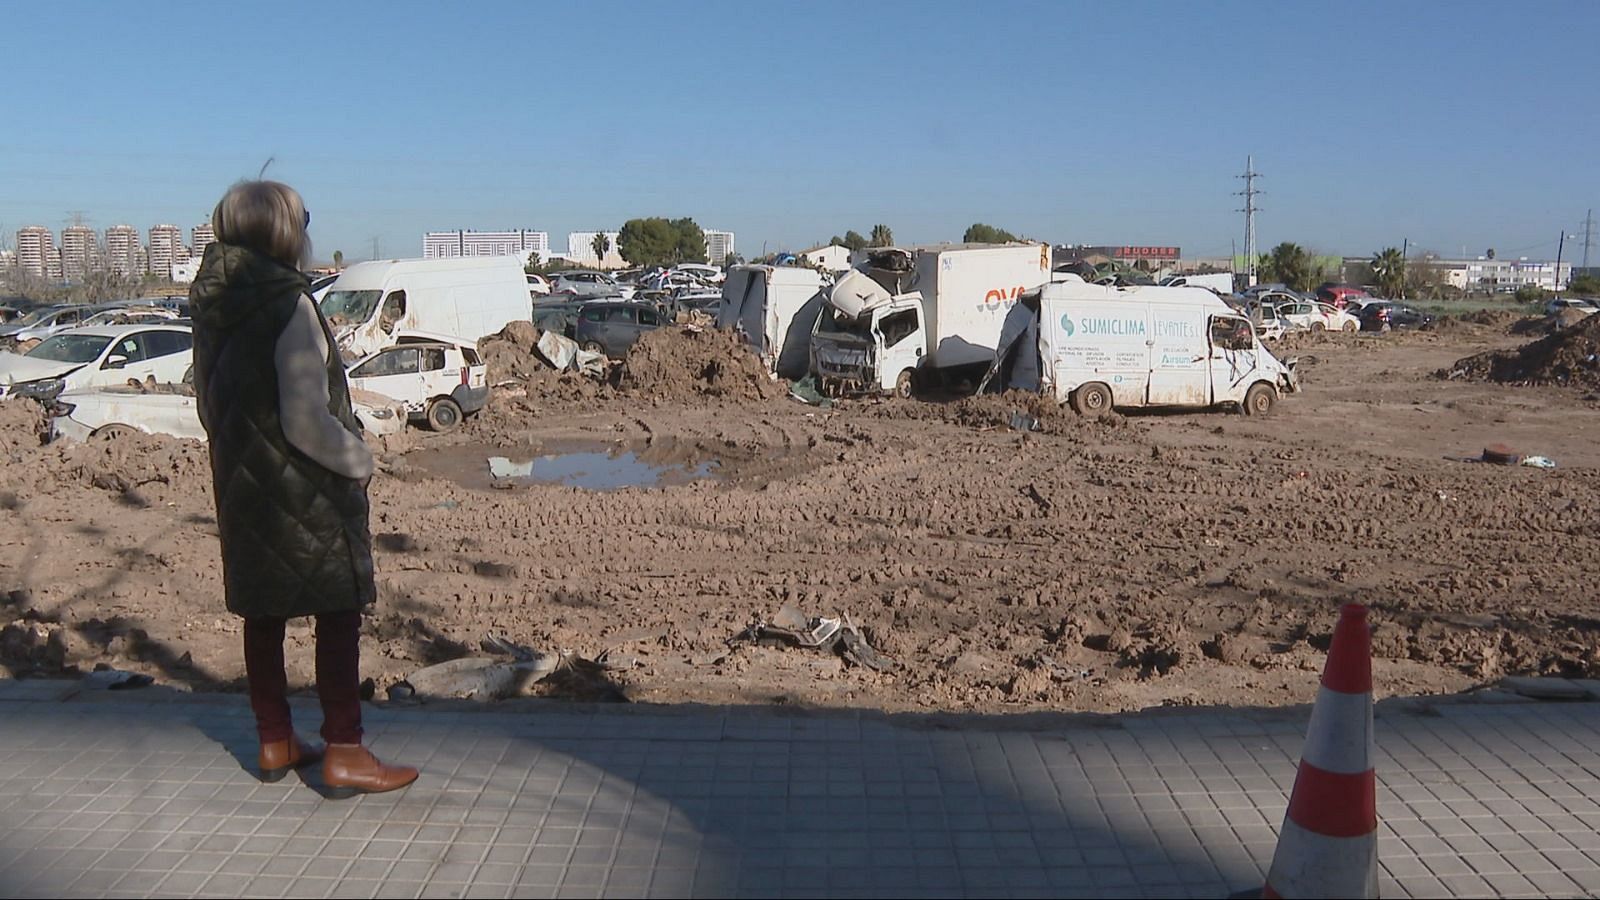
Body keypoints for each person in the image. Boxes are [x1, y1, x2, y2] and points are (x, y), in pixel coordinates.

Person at [188, 180, 417, 798]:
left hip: (243, 489)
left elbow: (210, 405)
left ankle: (275, 740)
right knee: (337, 615)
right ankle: (345, 750)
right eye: (304, 220)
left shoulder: (211, 304)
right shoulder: (288, 302)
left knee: (263, 616)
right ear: (284, 232)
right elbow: (306, 417)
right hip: (307, 492)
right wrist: (359, 459)